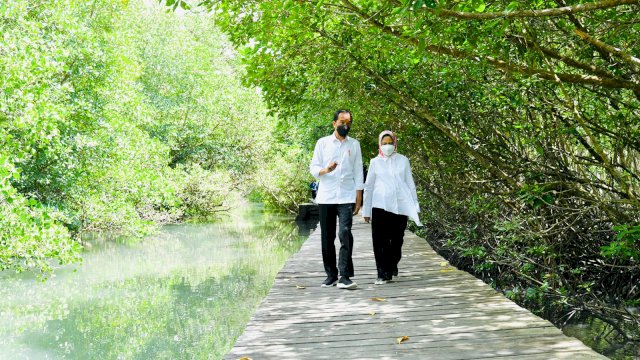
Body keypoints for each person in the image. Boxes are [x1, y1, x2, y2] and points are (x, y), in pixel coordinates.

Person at [309, 109, 364, 289]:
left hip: (347, 196)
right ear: (334, 123)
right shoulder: (322, 143)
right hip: (326, 196)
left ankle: (345, 276)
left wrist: (358, 198)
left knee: (345, 234)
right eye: (341, 122)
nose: (345, 126)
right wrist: (326, 170)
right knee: (327, 237)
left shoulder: (354, 144)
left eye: (348, 123)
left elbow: (358, 172)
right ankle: (331, 275)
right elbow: (314, 168)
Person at [362, 130, 422, 285]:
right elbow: (368, 187)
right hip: (380, 205)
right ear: (380, 145)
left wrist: (415, 204)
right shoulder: (375, 162)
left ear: (395, 144)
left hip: (400, 206)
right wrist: (366, 210)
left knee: (397, 240)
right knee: (379, 240)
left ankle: (392, 263)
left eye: (390, 143)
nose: (387, 146)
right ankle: (382, 273)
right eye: (384, 143)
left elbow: (410, 183)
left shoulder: (403, 160)